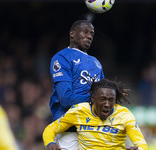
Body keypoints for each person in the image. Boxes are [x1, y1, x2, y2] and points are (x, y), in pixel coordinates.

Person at [43, 78, 149, 150]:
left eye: (111, 100)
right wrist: (50, 143)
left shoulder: (124, 115)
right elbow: (50, 129)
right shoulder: (79, 111)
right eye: (102, 99)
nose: (107, 104)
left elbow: (142, 144)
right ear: (93, 98)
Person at [49, 20, 104, 149]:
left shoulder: (96, 62)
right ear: (72, 34)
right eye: (85, 32)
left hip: (92, 128)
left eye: (92, 33)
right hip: (69, 129)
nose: (89, 36)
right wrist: (95, 99)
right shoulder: (62, 57)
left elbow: (104, 95)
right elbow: (66, 98)